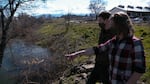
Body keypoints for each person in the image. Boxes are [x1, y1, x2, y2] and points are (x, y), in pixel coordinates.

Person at [65, 12, 146, 84]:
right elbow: (97, 49)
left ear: (119, 26)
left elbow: (139, 70)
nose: (110, 27)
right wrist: (77, 54)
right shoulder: (113, 41)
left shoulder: (135, 43)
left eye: (112, 24)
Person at [87, 11, 115, 84]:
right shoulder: (103, 31)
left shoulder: (114, 33)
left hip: (107, 65)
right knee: (90, 81)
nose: (98, 23)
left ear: (106, 20)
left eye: (100, 20)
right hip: (99, 62)